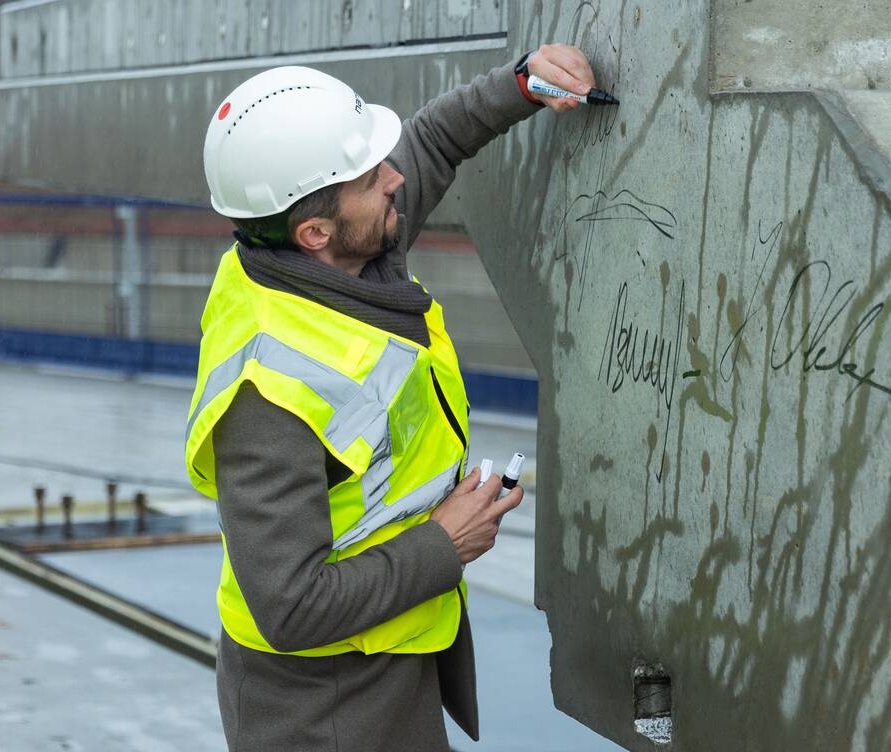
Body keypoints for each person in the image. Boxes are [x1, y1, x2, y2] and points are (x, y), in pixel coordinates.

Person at [186, 43, 597, 751]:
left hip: (384, 657)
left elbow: (433, 139)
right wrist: (445, 543)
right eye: (375, 178)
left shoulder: (336, 251)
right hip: (324, 708)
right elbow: (290, 607)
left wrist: (524, 83)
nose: (396, 179)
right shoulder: (268, 399)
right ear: (314, 232)